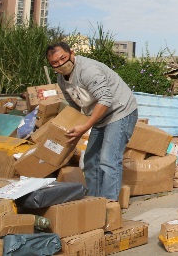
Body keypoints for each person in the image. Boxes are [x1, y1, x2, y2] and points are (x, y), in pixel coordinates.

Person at [45, 41, 138, 200]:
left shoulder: (88, 71)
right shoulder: (62, 80)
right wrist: (69, 129)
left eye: (63, 58)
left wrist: (86, 126)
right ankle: (94, 202)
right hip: (100, 115)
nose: (61, 64)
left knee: (109, 160)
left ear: (72, 53)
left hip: (120, 111)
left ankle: (109, 205)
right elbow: (74, 106)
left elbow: (106, 99)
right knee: (90, 161)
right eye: (55, 62)